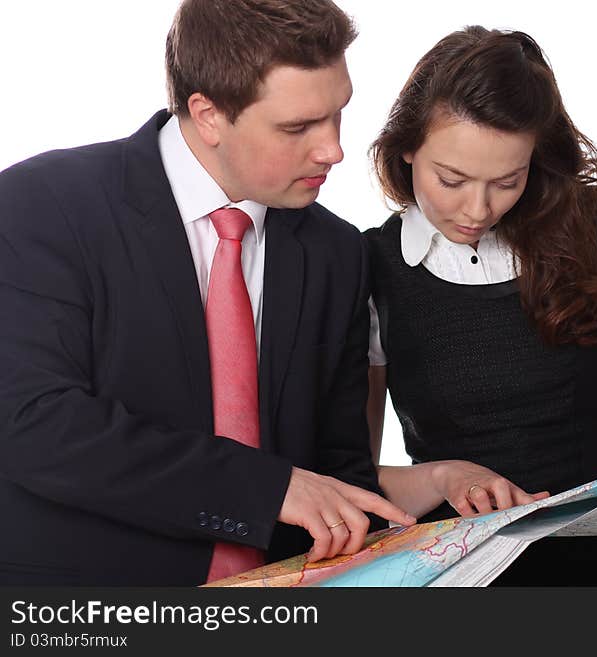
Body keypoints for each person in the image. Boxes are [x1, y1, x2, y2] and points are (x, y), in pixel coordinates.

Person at [0, 0, 415, 586]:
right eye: (297, 127)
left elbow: (337, 468)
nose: (333, 150)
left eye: (337, 114)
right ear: (209, 113)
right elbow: (31, 424)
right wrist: (262, 490)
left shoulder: (336, 251)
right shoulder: (40, 205)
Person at [365, 26, 597, 585]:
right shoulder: (370, 269)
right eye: (451, 179)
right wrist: (444, 478)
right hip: (465, 579)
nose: (477, 209)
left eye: (508, 181)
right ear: (405, 146)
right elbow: (356, 479)